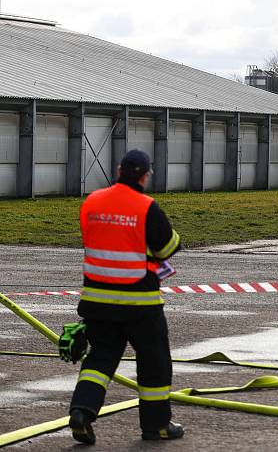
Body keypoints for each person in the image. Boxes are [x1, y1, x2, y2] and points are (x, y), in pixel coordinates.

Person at [68, 149, 183, 444]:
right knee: (154, 362)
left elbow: (91, 238)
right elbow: (167, 248)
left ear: (119, 170)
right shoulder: (146, 207)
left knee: (101, 359)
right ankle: (156, 426)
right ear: (145, 175)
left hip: (96, 302)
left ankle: (81, 412)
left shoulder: (91, 202)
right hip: (139, 304)